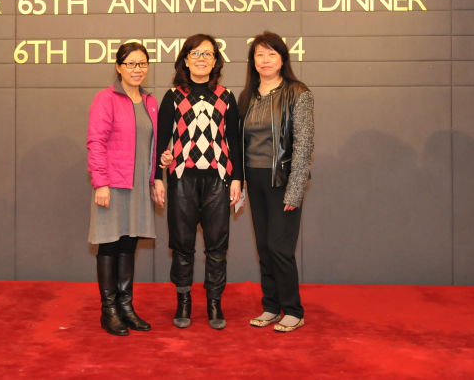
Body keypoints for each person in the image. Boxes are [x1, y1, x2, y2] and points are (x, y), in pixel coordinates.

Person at [153, 33, 243, 330]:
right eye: (195, 54)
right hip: (182, 179)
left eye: (207, 54)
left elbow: (234, 142)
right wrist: (160, 168)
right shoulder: (173, 96)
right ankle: (183, 301)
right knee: (182, 245)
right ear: (185, 60)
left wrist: (237, 178)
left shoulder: (226, 96)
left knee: (217, 246)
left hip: (218, 180)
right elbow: (161, 141)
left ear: (216, 61)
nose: (201, 59)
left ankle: (215, 303)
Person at [86, 42, 169, 336]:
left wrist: (157, 176)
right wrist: (101, 183)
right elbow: (96, 143)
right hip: (113, 185)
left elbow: (154, 146)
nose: (137, 69)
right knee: (109, 244)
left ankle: (126, 306)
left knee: (129, 244)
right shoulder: (105, 99)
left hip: (139, 187)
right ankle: (108, 310)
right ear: (119, 67)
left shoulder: (150, 102)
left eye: (142, 63)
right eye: (131, 63)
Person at [238, 31, 314, 333]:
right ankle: (271, 307)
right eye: (259, 54)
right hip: (254, 180)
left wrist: (294, 190)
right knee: (264, 248)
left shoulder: (298, 93)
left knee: (280, 248)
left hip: (282, 180)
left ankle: (293, 310)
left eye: (272, 54)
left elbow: (304, 145)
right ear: (252, 60)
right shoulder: (247, 96)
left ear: (282, 58)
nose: (265, 60)